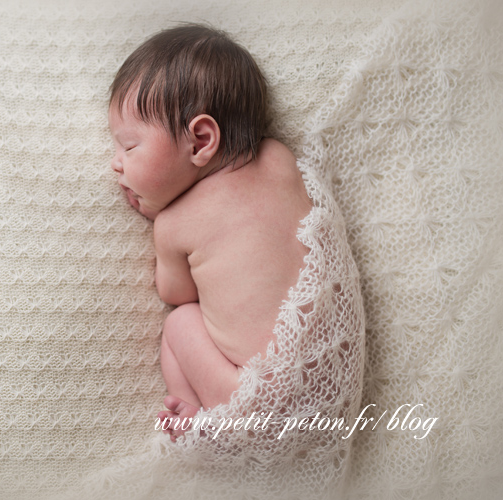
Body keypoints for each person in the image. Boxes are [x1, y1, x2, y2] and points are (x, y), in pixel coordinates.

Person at [108, 24, 313, 440]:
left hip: (255, 400)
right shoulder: (280, 159)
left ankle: (196, 414)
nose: (116, 163)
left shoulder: (174, 224)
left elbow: (176, 294)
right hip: (323, 373)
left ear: (201, 140)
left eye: (129, 147)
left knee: (181, 323)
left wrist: (159, 217)